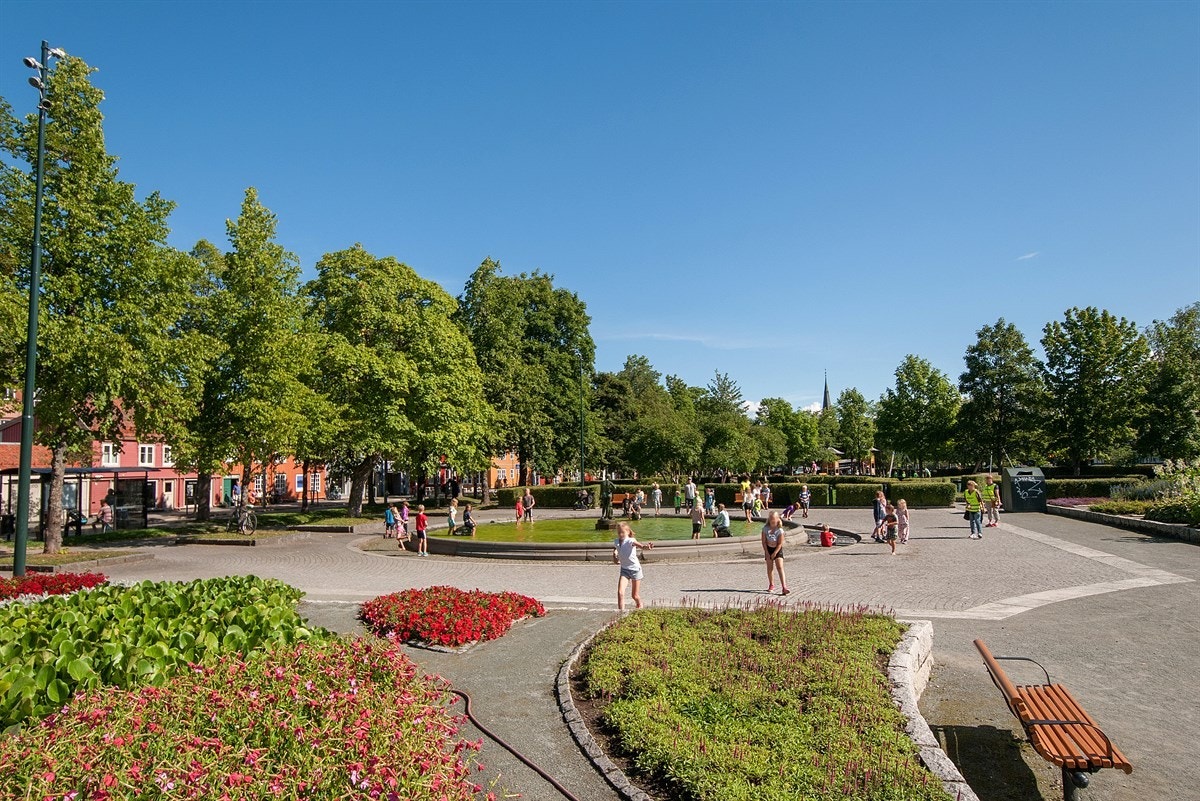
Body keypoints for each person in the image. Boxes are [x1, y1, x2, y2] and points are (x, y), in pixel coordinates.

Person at [612, 521, 653, 610]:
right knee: (620, 593)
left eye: (622, 532)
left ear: (628, 532)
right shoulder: (616, 541)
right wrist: (614, 556)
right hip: (624, 570)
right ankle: (621, 613)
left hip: (635, 570)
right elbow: (616, 549)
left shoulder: (631, 541)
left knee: (634, 595)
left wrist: (646, 547)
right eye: (619, 532)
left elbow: (641, 546)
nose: (620, 534)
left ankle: (640, 604)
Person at [761, 511, 789, 595]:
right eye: (771, 519)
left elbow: (780, 543)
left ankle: (784, 586)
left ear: (777, 519)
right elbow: (763, 541)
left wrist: (775, 553)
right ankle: (771, 584)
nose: (772, 521)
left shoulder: (780, 530)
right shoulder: (765, 529)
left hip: (777, 549)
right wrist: (766, 552)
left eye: (774, 519)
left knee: (780, 567)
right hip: (768, 548)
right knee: (770, 568)